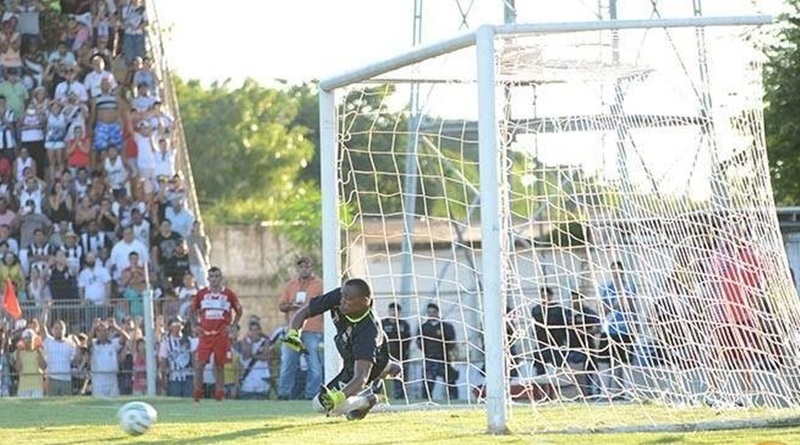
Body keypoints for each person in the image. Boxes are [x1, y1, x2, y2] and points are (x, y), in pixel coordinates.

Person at [283, 278, 400, 421]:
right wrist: (293, 333)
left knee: (322, 405)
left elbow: (361, 377)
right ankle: (372, 391)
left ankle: (371, 395)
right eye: (342, 296)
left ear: (364, 301)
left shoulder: (369, 331)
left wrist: (337, 397)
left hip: (369, 364)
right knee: (322, 404)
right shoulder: (340, 296)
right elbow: (305, 310)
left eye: (348, 299)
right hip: (350, 355)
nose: (341, 301)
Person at [189, 266, 243, 402]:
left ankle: (219, 394)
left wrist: (232, 325)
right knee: (199, 364)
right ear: (208, 279)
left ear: (221, 278)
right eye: (212, 277)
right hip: (205, 334)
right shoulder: (201, 294)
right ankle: (197, 393)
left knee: (219, 365)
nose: (214, 279)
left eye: (217, 276)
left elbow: (239, 310)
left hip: (221, 334)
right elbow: (191, 310)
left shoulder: (228, 294)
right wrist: (195, 326)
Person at [277, 256, 323, 400]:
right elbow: (281, 306)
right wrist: (292, 305)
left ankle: (312, 395)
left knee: (314, 365)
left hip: (312, 330)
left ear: (312, 268)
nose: (304, 269)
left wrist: (309, 306)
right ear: (298, 268)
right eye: (301, 266)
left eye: (307, 266)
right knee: (288, 363)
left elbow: (324, 305)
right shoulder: (290, 285)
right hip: (293, 331)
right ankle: (283, 394)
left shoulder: (320, 284)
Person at [417, 303, 458, 401]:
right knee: (428, 383)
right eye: (429, 312)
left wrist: (446, 351)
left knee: (450, 381)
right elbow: (419, 342)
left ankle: (454, 400)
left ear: (438, 312)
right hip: (429, 359)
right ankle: (426, 401)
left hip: (444, 358)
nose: (431, 314)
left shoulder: (446, 326)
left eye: (434, 312)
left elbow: (452, 342)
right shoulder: (423, 327)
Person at [381, 302, 411, 399]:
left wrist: (404, 353)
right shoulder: (383, 323)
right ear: (388, 311)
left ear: (399, 312)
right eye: (392, 310)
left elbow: (408, 340)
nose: (394, 313)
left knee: (400, 377)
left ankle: (400, 397)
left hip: (400, 356)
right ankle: (376, 394)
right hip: (385, 356)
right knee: (379, 376)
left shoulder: (404, 324)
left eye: (396, 311)